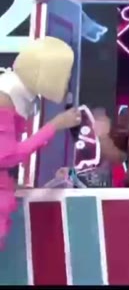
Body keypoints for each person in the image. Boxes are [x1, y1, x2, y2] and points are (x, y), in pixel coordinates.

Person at [0, 37, 82, 248]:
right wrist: (54, 125)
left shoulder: (15, 95)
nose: (67, 79)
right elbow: (7, 156)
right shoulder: (4, 97)